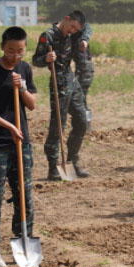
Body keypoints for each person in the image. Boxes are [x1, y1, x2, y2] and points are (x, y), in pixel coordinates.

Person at [0, 26, 37, 267]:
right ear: (2, 46)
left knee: (25, 197)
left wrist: (22, 87)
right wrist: (10, 126)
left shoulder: (24, 69)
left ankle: (23, 241)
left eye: (20, 51)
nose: (15, 56)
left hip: (22, 144)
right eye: (11, 50)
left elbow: (32, 105)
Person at [32, 10, 89, 180]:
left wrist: (85, 39)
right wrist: (46, 59)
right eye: (71, 27)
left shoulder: (74, 35)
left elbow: (89, 29)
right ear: (66, 19)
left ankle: (72, 161)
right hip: (58, 82)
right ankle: (53, 167)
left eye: (76, 29)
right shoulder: (48, 36)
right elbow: (35, 59)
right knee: (58, 125)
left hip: (72, 80)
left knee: (82, 121)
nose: (72, 31)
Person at [71, 22, 94, 127]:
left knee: (81, 99)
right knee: (81, 100)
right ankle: (85, 122)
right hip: (80, 72)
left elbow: (87, 28)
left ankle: (87, 123)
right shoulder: (70, 36)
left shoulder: (82, 32)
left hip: (85, 72)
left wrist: (85, 40)